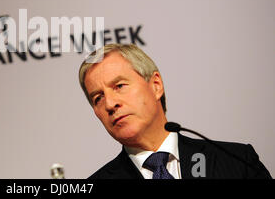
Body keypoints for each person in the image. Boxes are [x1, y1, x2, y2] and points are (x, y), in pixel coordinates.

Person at [78, 43, 271, 179]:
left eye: (119, 86)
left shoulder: (236, 162)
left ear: (155, 85)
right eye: (98, 98)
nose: (110, 104)